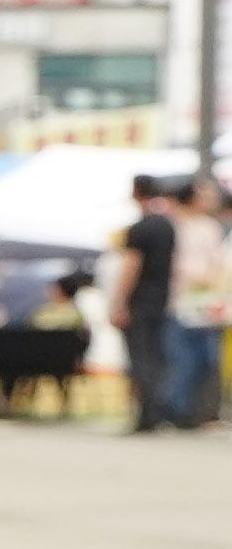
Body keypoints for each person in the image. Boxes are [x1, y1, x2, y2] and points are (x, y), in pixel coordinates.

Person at [109, 173, 184, 434]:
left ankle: (145, 414)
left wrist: (119, 302)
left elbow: (132, 266)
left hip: (140, 301)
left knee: (139, 359)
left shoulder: (140, 228)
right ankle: (157, 411)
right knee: (157, 357)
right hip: (161, 300)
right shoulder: (168, 225)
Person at [171, 178, 231, 430]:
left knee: (207, 360)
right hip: (178, 302)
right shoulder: (173, 226)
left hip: (208, 303)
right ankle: (176, 409)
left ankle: (200, 411)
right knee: (183, 359)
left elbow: (218, 263)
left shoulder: (210, 228)